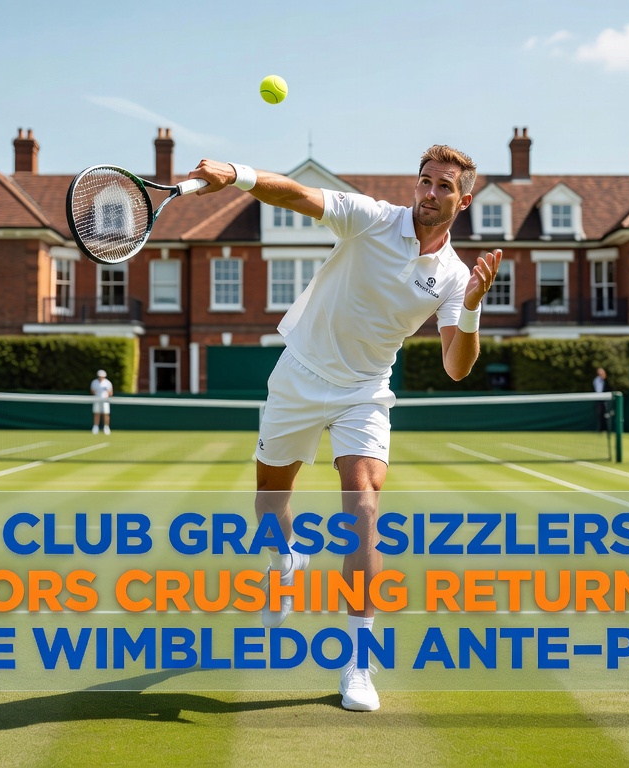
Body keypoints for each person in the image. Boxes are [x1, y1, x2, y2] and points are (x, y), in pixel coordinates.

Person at [187, 145, 501, 713]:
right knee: (269, 502)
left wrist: (474, 307)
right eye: (425, 181)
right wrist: (238, 175)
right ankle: (287, 560)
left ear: (464, 199)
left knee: (363, 508)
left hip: (365, 391)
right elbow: (300, 195)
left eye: (444, 187)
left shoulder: (456, 277)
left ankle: (359, 660)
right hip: (300, 372)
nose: (430, 193)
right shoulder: (373, 218)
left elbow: (457, 366)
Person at [90, 369, 113, 434]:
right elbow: (92, 391)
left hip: (105, 400)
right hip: (97, 400)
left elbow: (111, 392)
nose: (100, 378)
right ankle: (95, 427)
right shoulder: (94, 382)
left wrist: (108, 394)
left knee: (106, 414)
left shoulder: (108, 383)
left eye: (102, 376)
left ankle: (106, 427)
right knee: (96, 413)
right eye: (99, 376)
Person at [592, 367, 610, 431]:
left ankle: (607, 429)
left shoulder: (607, 380)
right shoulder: (596, 380)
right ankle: (600, 429)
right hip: (599, 400)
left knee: (606, 415)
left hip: (606, 400)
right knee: (599, 414)